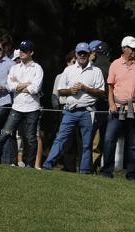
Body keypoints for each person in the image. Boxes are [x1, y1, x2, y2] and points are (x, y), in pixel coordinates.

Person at [43, 42, 105, 174]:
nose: (82, 55)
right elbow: (60, 91)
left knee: (87, 143)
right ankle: (48, 164)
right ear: (76, 54)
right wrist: (71, 90)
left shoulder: (96, 71)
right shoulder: (69, 70)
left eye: (84, 53)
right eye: (80, 53)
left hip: (87, 112)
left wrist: (85, 88)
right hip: (70, 110)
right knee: (61, 139)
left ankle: (84, 170)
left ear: (89, 54)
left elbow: (101, 92)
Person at [100, 36, 135, 180]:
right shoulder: (115, 64)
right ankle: (106, 172)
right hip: (116, 107)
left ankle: (132, 175)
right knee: (109, 139)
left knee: (133, 143)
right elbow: (110, 87)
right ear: (124, 49)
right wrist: (111, 104)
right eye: (132, 48)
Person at [0, 40, 43, 168]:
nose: (21, 53)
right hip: (17, 106)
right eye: (21, 51)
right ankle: (15, 161)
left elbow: (35, 89)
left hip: (32, 106)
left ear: (31, 52)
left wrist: (17, 85)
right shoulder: (14, 68)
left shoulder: (37, 68)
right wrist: (26, 84)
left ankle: (31, 164)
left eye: (25, 51)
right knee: (10, 134)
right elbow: (10, 87)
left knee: (30, 137)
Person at [88, 40, 111, 172]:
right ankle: (97, 166)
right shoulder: (112, 66)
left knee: (93, 137)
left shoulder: (93, 68)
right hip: (109, 105)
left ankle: (90, 166)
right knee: (104, 138)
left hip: (95, 105)